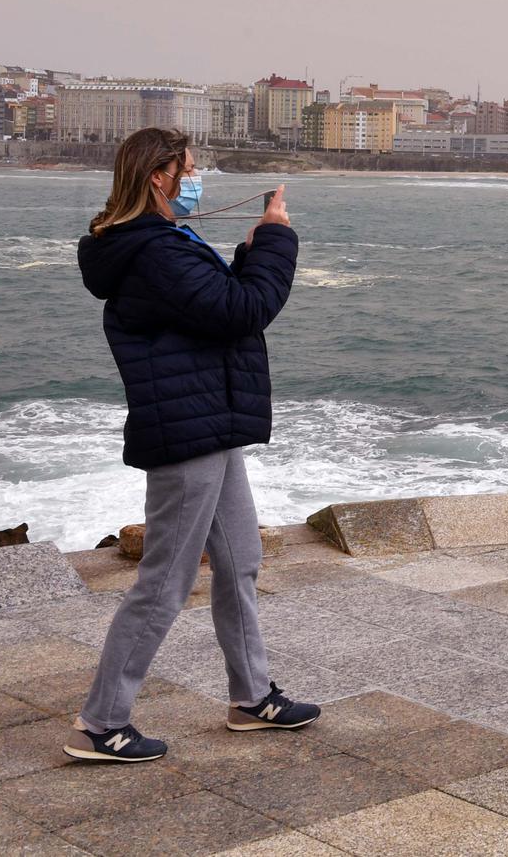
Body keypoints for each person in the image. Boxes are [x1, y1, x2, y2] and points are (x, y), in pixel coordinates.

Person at [68, 126, 318, 763]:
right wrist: (277, 240)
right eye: (191, 166)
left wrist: (248, 250)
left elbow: (213, 308)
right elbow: (242, 311)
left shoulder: (161, 243)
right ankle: (101, 724)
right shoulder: (152, 250)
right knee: (165, 584)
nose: (197, 174)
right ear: (160, 177)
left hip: (211, 421)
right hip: (187, 433)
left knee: (241, 564)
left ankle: (252, 696)